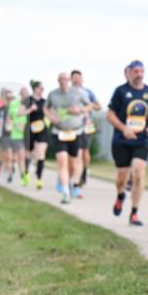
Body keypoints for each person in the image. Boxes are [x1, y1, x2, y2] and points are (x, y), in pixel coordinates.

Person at [107, 60, 148, 225]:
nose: (139, 74)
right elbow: (110, 115)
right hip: (121, 140)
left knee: (138, 172)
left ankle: (134, 212)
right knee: (122, 177)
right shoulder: (120, 92)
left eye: (141, 71)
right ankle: (121, 195)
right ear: (128, 72)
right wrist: (124, 129)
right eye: (135, 71)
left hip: (141, 140)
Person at [46, 73, 90, 204]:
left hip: (75, 132)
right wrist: (50, 116)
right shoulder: (52, 94)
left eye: (65, 79)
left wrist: (80, 109)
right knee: (62, 161)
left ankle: (70, 183)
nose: (63, 81)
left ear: (69, 81)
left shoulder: (78, 93)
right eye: (61, 79)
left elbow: (90, 105)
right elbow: (46, 108)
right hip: (59, 132)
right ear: (58, 81)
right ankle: (65, 192)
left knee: (73, 163)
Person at [71, 70, 102, 188]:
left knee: (84, 152)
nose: (77, 79)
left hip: (86, 125)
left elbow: (98, 106)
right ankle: (75, 176)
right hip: (72, 127)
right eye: (75, 77)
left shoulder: (88, 92)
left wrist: (88, 107)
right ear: (71, 79)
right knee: (74, 153)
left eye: (79, 77)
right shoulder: (67, 93)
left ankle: (83, 172)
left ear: (82, 79)